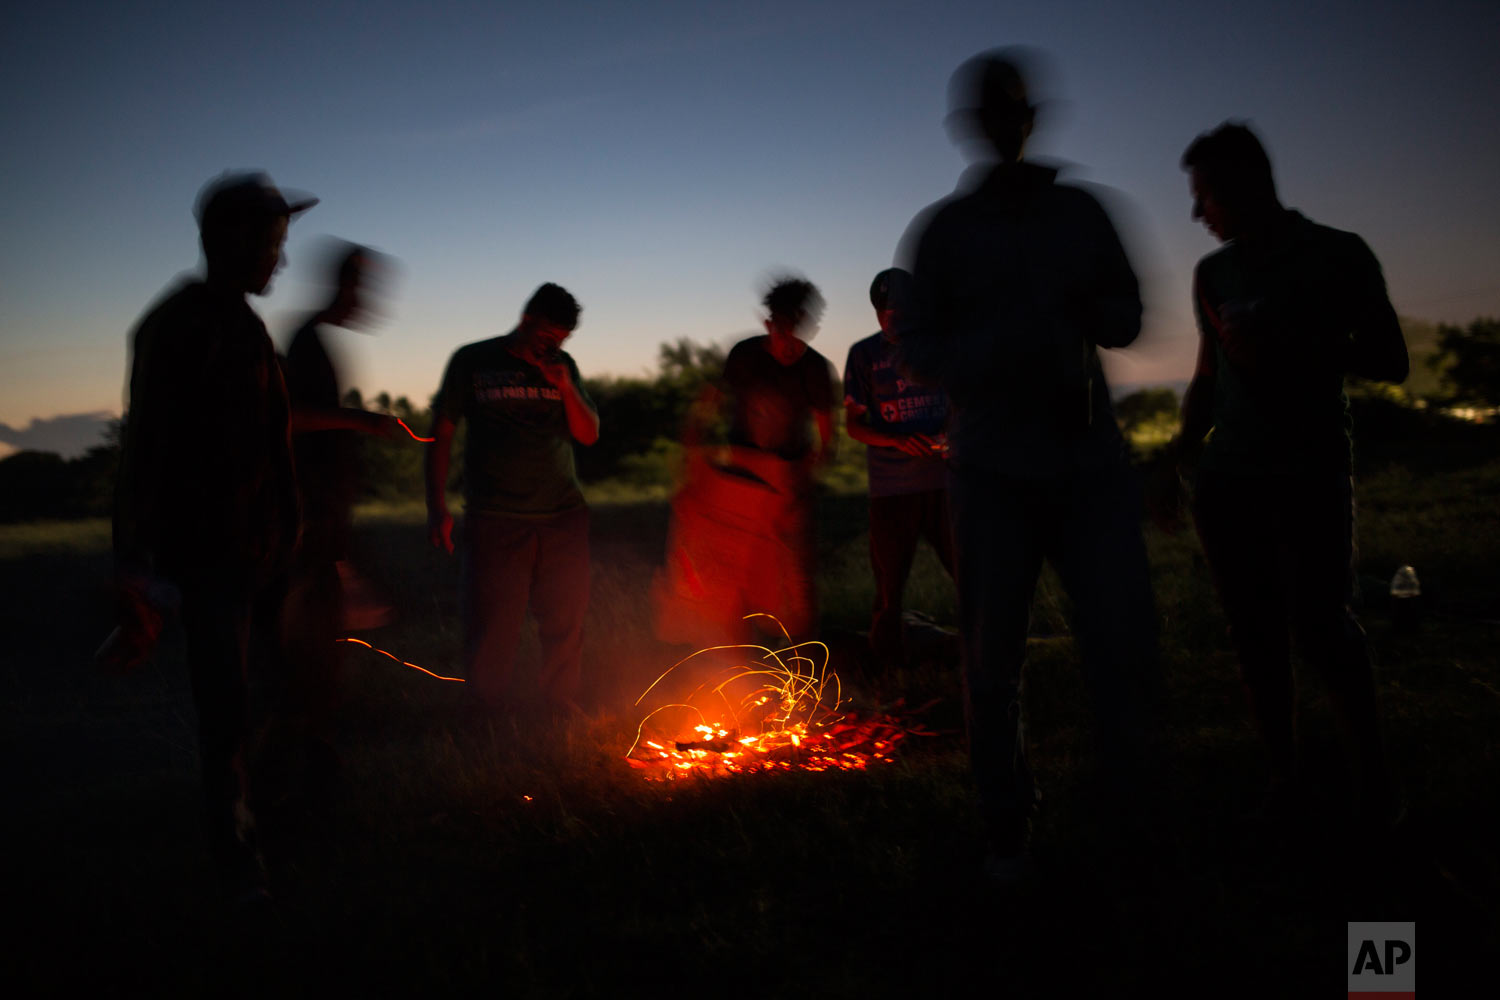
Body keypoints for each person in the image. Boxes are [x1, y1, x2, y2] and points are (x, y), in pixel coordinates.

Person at [894, 51, 1158, 880]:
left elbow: (1126, 315)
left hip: (1087, 464)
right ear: (971, 126)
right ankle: (1007, 829)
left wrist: (1082, 309)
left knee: (1120, 647)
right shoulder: (943, 233)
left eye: (1017, 108)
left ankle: (1130, 820)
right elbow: (921, 349)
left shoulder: (1080, 212)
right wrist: (989, 352)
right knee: (990, 658)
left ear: (1031, 117)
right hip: (993, 473)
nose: (1007, 122)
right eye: (992, 111)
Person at [1176, 122, 1408, 829]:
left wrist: (1295, 340)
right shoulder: (1212, 275)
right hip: (1228, 480)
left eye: (1205, 194)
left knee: (1323, 627)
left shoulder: (1335, 255)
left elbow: (1390, 359)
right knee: (1254, 636)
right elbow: (1209, 377)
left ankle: (1374, 786)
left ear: (1246, 185)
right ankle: (1286, 780)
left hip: (1308, 467)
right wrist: (1181, 453)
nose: (1197, 212)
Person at [112, 170, 315, 901]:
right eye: (270, 244)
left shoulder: (247, 327)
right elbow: (148, 447)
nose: (279, 260)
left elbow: (273, 438)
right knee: (227, 708)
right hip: (212, 557)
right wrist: (133, 564)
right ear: (228, 241)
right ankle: (237, 864)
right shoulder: (179, 326)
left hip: (262, 553)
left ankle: (272, 826)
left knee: (272, 692)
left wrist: (290, 528)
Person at [425, 283, 599, 717]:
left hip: (562, 513)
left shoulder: (563, 368)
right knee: (493, 623)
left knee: (564, 617)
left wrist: (564, 386)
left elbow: (589, 433)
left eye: (560, 340)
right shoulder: (473, 360)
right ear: (526, 320)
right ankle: (486, 709)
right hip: (495, 515)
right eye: (546, 337)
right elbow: (441, 434)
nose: (551, 347)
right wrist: (437, 506)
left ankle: (559, 699)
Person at [276, 242, 401, 785]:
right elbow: (290, 418)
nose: (370, 301)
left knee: (322, 638)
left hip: (326, 516)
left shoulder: (316, 341)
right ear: (345, 286)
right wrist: (365, 422)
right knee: (306, 644)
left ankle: (309, 752)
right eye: (365, 288)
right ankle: (295, 763)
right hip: (308, 516)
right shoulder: (306, 343)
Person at [657, 277, 836, 645]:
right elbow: (710, 403)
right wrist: (691, 449)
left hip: (786, 478)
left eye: (797, 333)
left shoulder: (815, 369)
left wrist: (800, 484)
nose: (788, 344)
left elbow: (826, 439)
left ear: (808, 326)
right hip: (740, 476)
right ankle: (733, 663)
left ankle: (801, 658)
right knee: (730, 571)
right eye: (781, 332)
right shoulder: (745, 355)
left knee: (792, 579)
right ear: (769, 323)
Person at [843, 268, 955, 671]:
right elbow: (854, 425)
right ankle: (886, 668)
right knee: (889, 585)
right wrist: (895, 440)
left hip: (946, 483)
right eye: (883, 310)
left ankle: (989, 657)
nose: (891, 318)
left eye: (899, 310)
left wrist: (950, 431)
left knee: (971, 571)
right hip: (891, 490)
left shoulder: (939, 349)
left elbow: (965, 402)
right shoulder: (864, 355)